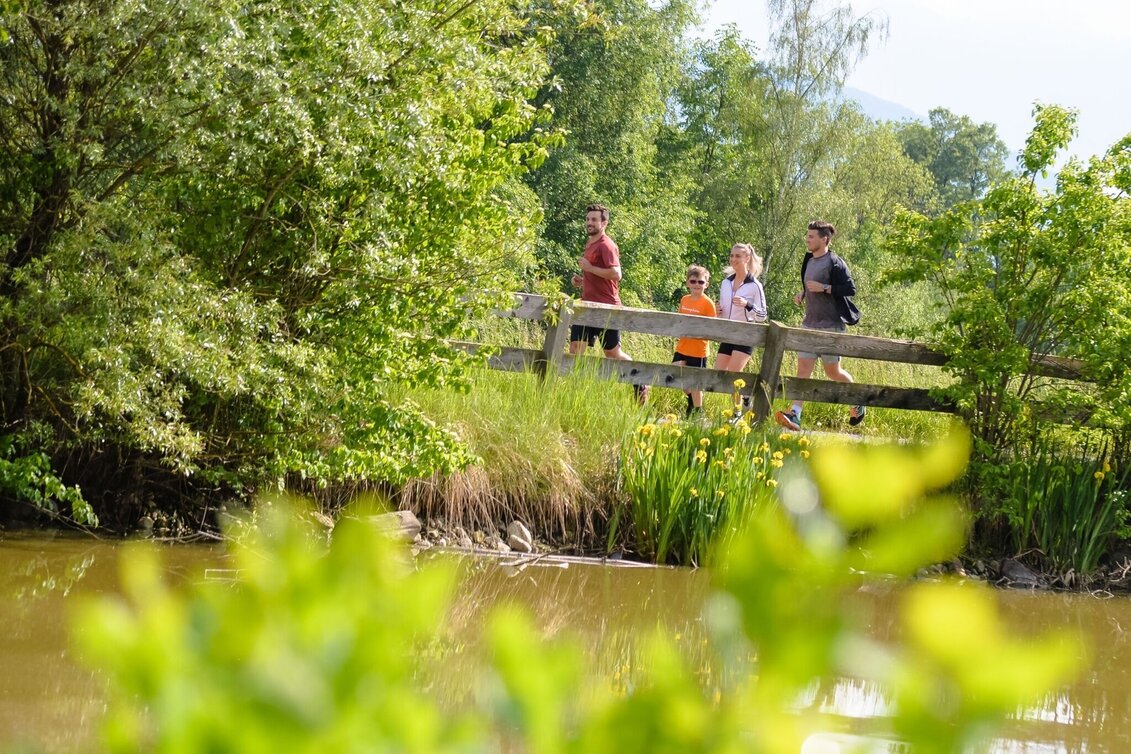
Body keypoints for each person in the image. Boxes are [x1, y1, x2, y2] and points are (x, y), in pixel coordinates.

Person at [775, 220, 864, 431]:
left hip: (831, 327)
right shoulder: (808, 260)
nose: (808, 239)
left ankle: (857, 402)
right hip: (809, 325)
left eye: (812, 236)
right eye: (807, 236)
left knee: (833, 372)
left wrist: (825, 288)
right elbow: (809, 284)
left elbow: (850, 289)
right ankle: (795, 414)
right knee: (803, 370)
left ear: (824, 239)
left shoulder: (835, 262)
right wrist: (803, 293)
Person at [569, 204, 648, 404]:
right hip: (587, 306)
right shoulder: (590, 244)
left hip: (607, 308)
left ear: (604, 223)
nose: (589, 223)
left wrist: (590, 268)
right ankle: (575, 395)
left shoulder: (606, 245)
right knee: (576, 350)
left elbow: (616, 274)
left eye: (594, 220)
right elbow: (598, 275)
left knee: (612, 353)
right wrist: (583, 279)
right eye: (588, 219)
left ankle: (640, 380)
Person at [714, 243, 768, 413]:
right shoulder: (725, 283)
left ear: (747, 258)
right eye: (732, 255)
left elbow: (762, 316)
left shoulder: (755, 285)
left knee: (734, 372)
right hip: (728, 334)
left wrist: (748, 305)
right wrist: (718, 311)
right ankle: (745, 397)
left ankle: (736, 413)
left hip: (746, 334)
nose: (733, 259)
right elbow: (723, 312)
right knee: (719, 372)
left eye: (738, 256)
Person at [672, 265, 717, 417]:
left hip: (699, 350)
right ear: (687, 283)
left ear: (706, 284)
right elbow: (680, 320)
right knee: (680, 378)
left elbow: (713, 326)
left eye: (701, 282)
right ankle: (692, 404)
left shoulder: (707, 303)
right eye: (693, 281)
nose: (697, 285)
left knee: (696, 382)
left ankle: (697, 412)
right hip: (682, 346)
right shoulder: (684, 299)